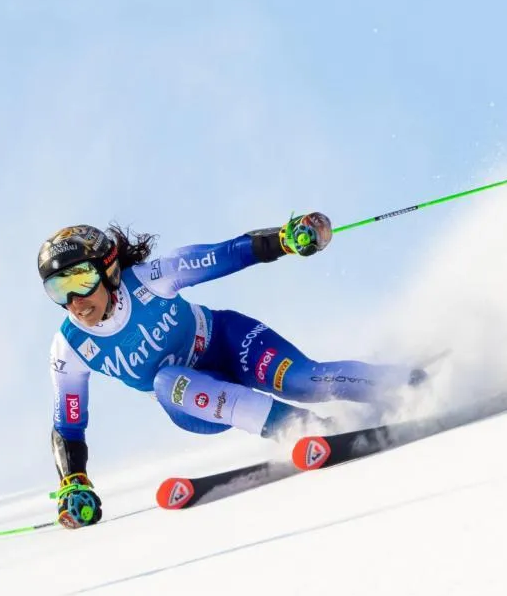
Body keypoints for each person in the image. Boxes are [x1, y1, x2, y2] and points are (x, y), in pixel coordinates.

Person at [40, 215, 427, 529]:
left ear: (108, 270)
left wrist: (285, 240)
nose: (74, 301)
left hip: (227, 341)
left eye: (81, 281)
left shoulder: (149, 278)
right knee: (166, 381)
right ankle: (300, 428)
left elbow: (221, 256)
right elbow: (68, 427)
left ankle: (409, 385)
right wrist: (74, 483)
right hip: (193, 401)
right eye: (59, 290)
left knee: (304, 380)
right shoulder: (70, 347)